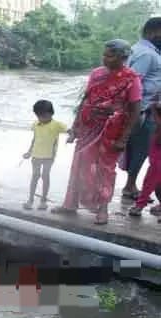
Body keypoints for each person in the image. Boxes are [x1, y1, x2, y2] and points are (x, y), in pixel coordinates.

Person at [51, 39, 142, 225]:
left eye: (110, 55)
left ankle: (103, 209)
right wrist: (75, 127)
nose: (105, 58)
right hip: (88, 127)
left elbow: (134, 110)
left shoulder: (131, 79)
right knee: (79, 164)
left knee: (105, 170)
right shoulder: (96, 74)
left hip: (111, 131)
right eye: (104, 54)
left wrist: (124, 138)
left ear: (122, 57)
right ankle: (70, 204)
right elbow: (85, 99)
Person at [120, 17, 161, 200]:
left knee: (137, 148)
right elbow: (133, 82)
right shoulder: (148, 54)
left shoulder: (138, 50)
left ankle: (131, 185)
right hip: (144, 110)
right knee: (142, 149)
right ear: (154, 32)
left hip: (142, 109)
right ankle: (130, 186)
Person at [21, 100, 70, 211]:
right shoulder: (36, 124)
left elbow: (69, 130)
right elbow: (34, 139)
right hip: (36, 155)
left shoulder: (57, 125)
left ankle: (43, 201)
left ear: (51, 113)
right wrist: (29, 152)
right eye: (38, 116)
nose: (40, 118)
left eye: (43, 116)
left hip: (49, 157)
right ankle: (30, 200)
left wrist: (71, 136)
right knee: (35, 176)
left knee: (45, 176)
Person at [129, 101, 161, 219]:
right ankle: (140, 204)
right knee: (154, 176)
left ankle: (140, 204)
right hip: (157, 145)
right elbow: (155, 106)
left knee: (154, 177)